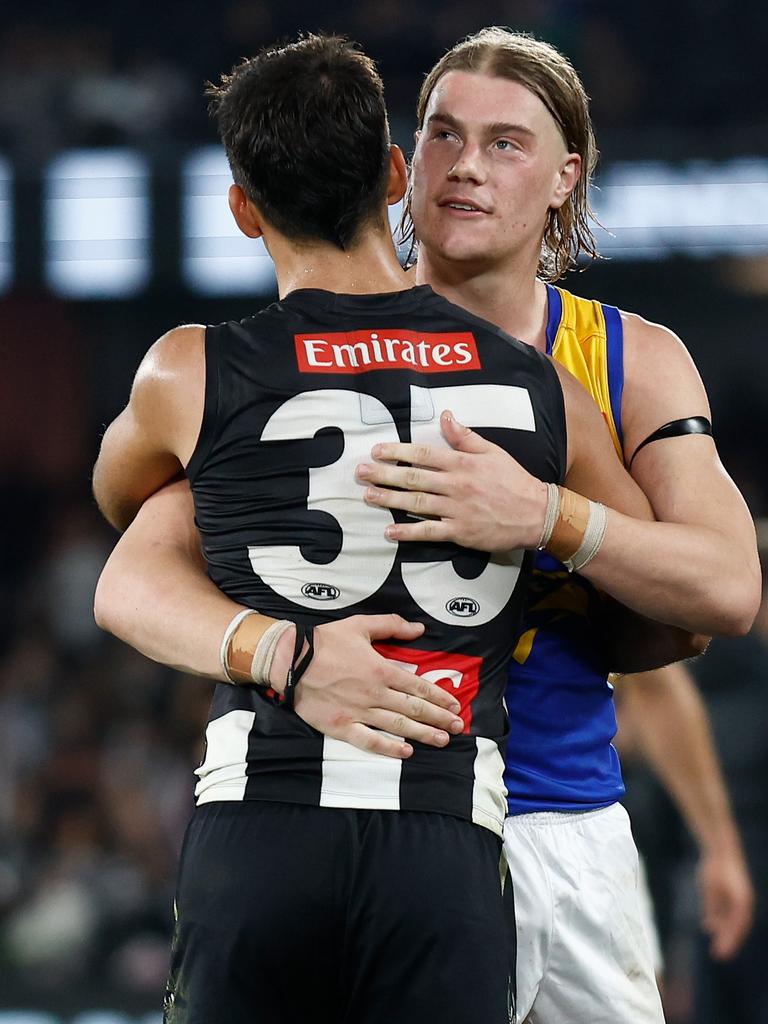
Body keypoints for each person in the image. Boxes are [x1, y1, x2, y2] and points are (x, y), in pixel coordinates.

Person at [93, 28, 761, 1024]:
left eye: (504, 143)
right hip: (432, 819)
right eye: (443, 133)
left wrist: (544, 513)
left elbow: (711, 602)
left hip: (540, 814)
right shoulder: (530, 389)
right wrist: (287, 650)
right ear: (400, 164)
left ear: (566, 176)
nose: (465, 168)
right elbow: (668, 628)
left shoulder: (625, 357)